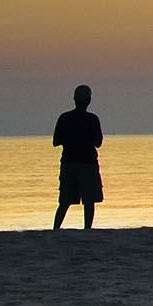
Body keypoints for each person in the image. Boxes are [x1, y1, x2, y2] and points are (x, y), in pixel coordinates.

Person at [52, 85, 104, 230]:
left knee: (65, 201)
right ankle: (87, 229)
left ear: (74, 99)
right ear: (89, 100)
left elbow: (56, 141)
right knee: (89, 201)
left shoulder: (65, 118)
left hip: (70, 163)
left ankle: (56, 229)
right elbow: (98, 143)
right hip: (87, 164)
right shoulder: (92, 119)